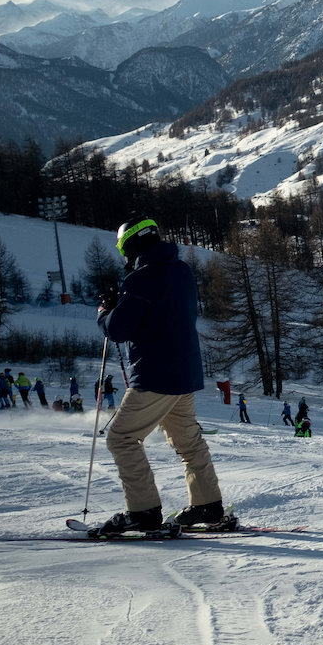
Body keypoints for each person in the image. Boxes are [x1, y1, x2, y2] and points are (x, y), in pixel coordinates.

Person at [94, 217, 224, 535]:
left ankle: (143, 512)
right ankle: (207, 505)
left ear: (131, 246)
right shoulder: (182, 272)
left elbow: (118, 329)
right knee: (188, 442)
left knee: (122, 438)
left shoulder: (141, 280)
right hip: (184, 372)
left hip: (155, 375)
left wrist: (105, 312)